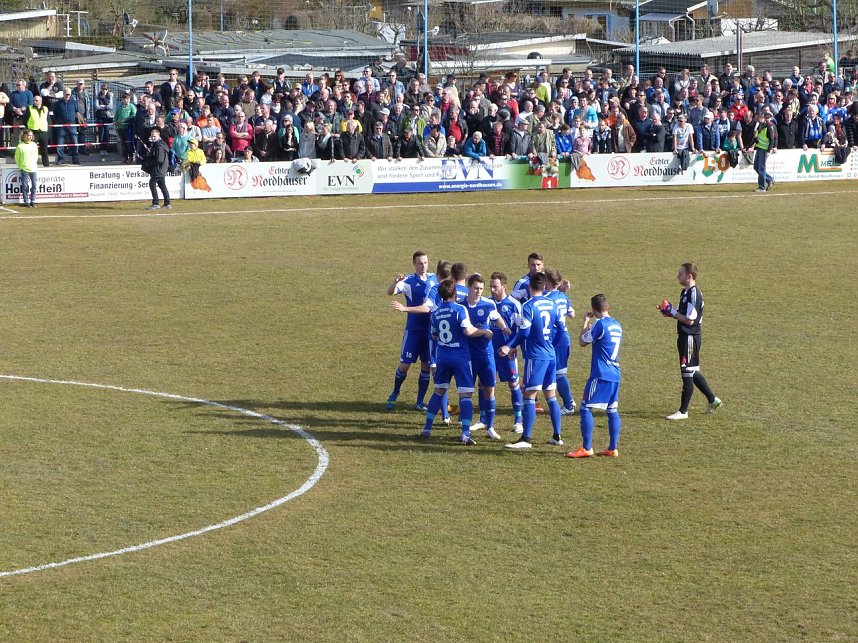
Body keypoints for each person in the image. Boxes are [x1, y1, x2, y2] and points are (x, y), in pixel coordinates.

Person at [419, 279, 494, 445]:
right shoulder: (460, 309)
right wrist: (484, 332)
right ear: (454, 293)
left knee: (439, 391)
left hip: (442, 357)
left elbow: (434, 335)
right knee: (465, 395)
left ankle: (427, 428)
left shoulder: (435, 313)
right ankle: (465, 434)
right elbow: (468, 331)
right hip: (460, 357)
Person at [500, 272, 565, 449]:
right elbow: (561, 329)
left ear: (529, 286)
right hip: (551, 355)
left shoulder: (528, 306)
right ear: (544, 286)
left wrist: (509, 346)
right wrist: (552, 344)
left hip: (536, 357)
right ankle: (557, 436)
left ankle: (526, 439)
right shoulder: (552, 304)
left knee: (529, 395)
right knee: (550, 395)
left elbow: (525, 332)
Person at [661, 263, 722, 420]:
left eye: (680, 273)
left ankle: (683, 412)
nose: (677, 276)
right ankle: (712, 399)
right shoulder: (685, 292)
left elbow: (690, 320)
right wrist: (669, 312)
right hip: (684, 336)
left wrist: (672, 312)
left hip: (690, 337)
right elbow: (682, 314)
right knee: (692, 371)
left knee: (687, 373)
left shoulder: (694, 295)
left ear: (689, 276)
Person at [565, 294, 623, 458]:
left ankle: (587, 447)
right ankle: (612, 448)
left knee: (585, 408)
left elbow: (582, 342)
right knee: (612, 410)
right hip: (615, 373)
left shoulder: (600, 324)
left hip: (601, 373)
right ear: (607, 306)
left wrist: (585, 322)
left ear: (594, 309)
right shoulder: (617, 325)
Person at [386, 251, 438, 411]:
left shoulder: (434, 278)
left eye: (426, 262)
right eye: (420, 263)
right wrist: (395, 283)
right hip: (413, 331)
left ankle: (420, 401)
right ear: (414, 264)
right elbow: (390, 292)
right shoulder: (408, 280)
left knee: (426, 367)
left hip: (430, 332)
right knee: (404, 365)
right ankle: (395, 392)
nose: (423, 266)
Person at [463, 273, 511, 441]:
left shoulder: (488, 304)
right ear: (469, 288)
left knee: (489, 390)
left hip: (486, 355)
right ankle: (465, 429)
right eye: (476, 288)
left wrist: (504, 328)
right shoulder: (461, 306)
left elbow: (497, 319)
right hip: (468, 356)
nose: (479, 291)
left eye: (481, 289)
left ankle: (490, 427)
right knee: (467, 392)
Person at [489, 272, 524, 434]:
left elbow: (522, 329)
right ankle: (484, 420)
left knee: (513, 384)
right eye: (491, 286)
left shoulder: (514, 304)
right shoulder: (488, 303)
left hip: (507, 353)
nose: (492, 290)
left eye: (495, 286)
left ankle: (518, 420)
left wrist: (511, 346)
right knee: (486, 385)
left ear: (503, 286)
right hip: (489, 352)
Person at [141, 128, 171, 210]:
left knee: (152, 183)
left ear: (158, 136)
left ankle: (156, 203)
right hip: (161, 169)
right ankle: (167, 203)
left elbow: (159, 160)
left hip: (159, 169)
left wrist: (149, 163)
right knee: (162, 185)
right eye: (152, 136)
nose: (153, 138)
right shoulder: (159, 144)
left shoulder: (159, 146)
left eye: (154, 136)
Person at [752, 110, 775, 193]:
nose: (757, 120)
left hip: (764, 149)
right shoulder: (759, 125)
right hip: (759, 148)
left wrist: (768, 150)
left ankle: (762, 187)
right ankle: (769, 179)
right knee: (756, 167)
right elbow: (756, 138)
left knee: (761, 168)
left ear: (762, 118)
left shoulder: (768, 126)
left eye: (758, 119)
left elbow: (772, 139)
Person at [15, 129, 38, 208]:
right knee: (25, 186)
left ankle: (33, 200)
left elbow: (36, 155)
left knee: (34, 185)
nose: (29, 137)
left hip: (33, 168)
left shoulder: (34, 145)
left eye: (31, 135)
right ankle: (26, 201)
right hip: (24, 168)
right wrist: (21, 166)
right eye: (28, 135)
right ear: (24, 136)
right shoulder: (20, 146)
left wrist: (33, 163)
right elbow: (17, 158)